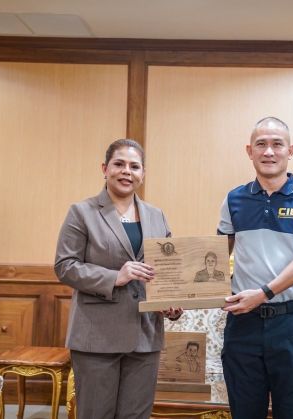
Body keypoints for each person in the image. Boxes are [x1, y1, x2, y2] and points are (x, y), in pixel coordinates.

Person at [55, 139, 182, 419]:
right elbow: (65, 266)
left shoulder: (157, 216)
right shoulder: (82, 212)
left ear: (143, 174)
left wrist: (171, 304)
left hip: (145, 336)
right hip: (97, 337)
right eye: (119, 164)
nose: (127, 171)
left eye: (134, 166)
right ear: (105, 169)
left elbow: (167, 270)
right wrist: (115, 277)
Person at [217, 117, 293, 419]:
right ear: (249, 151)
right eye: (261, 144)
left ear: (290, 151)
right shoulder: (234, 199)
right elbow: (215, 257)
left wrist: (263, 294)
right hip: (243, 325)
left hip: (292, 324)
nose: (269, 151)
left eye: (277, 144)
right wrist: (182, 292)